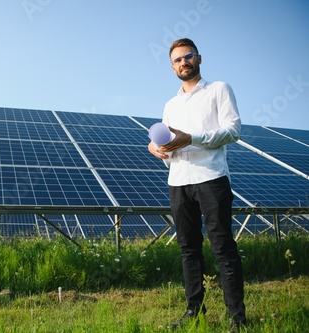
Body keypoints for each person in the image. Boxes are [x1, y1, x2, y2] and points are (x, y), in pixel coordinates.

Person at [148, 38, 246, 330]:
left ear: (199, 58)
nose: (183, 62)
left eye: (187, 56)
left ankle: (237, 318)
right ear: (172, 67)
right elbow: (167, 143)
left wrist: (193, 138)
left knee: (223, 248)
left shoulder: (218, 90)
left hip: (211, 178)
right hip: (178, 181)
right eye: (177, 60)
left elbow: (233, 130)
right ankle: (195, 312)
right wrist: (157, 150)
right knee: (188, 249)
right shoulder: (170, 105)